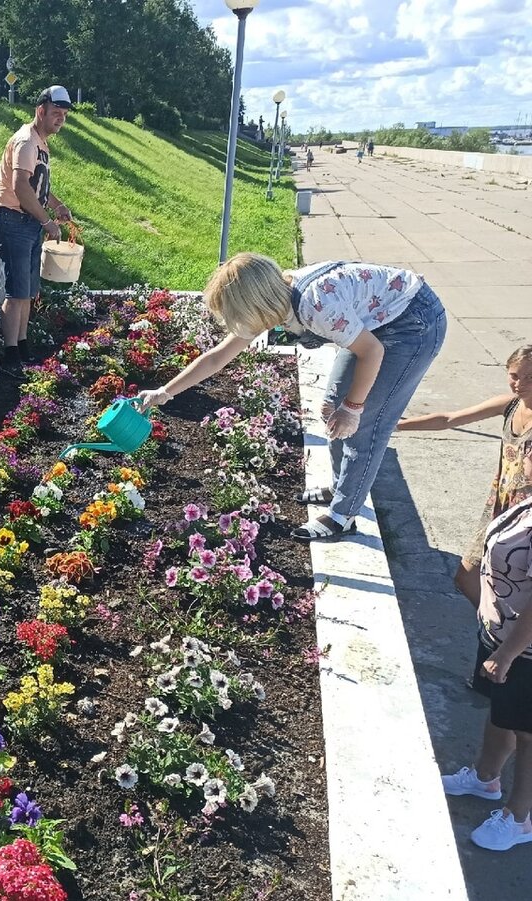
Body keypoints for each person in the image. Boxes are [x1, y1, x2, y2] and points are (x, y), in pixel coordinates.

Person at [136, 254, 447, 541]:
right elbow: (218, 358)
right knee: (332, 407)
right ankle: (342, 488)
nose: (240, 326)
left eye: (240, 316)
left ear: (257, 306)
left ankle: (343, 516)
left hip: (413, 324)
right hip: (379, 321)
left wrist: (353, 408)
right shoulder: (275, 297)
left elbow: (372, 351)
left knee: (365, 423)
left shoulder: (317, 307)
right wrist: (165, 392)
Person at [440, 438, 532, 852]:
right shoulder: (524, 502)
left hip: (523, 647)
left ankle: (520, 817)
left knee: (528, 733)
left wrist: (508, 652)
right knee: (502, 713)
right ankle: (485, 779)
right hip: (503, 634)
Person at [396, 346, 532, 605]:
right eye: (515, 375)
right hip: (500, 505)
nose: (519, 384)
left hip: (526, 515)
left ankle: (509, 638)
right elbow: (448, 419)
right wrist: (395, 426)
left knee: (518, 587)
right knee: (467, 576)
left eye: (530, 378)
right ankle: (495, 629)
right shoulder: (510, 405)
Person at [0, 85, 73, 375]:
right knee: (16, 293)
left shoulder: (40, 142)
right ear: (41, 111)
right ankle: (10, 355)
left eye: (63, 115)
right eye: (55, 113)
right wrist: (47, 222)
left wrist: (57, 205)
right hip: (12, 220)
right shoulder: (27, 141)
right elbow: (21, 187)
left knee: (27, 292)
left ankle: (22, 347)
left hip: (25, 222)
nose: (60, 119)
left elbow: (38, 186)